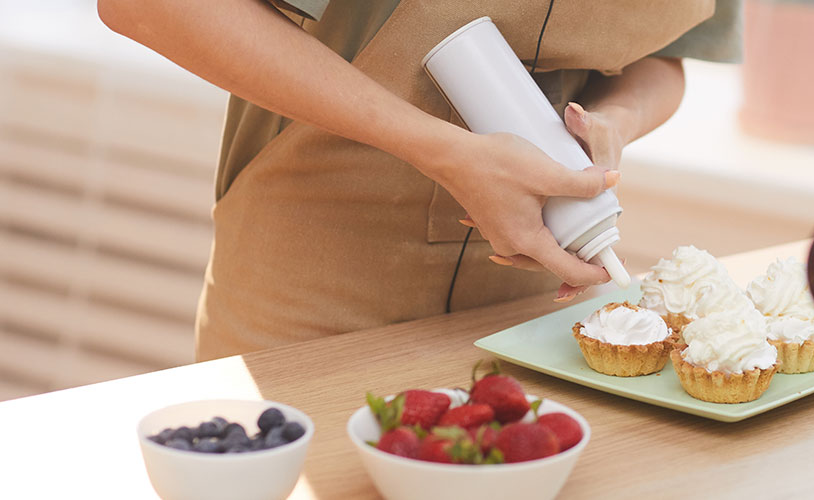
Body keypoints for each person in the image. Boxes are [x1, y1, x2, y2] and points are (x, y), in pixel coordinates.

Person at [98, 0, 742, 360]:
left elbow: (668, 54)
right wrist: (443, 152)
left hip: (528, 324)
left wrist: (612, 122)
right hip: (311, 298)